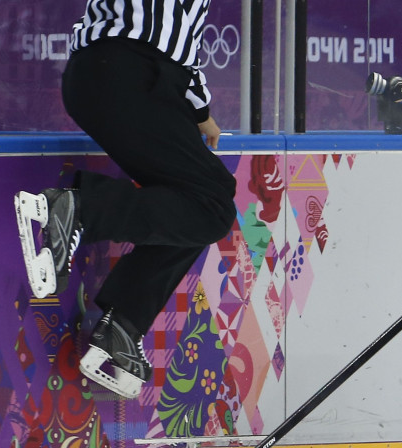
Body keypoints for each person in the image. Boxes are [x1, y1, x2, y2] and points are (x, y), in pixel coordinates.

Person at [14, 0, 236, 399]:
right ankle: (80, 209)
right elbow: (171, 42)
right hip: (129, 70)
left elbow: (182, 37)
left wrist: (200, 108)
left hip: (112, 71)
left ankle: (123, 325)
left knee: (206, 197)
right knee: (211, 202)